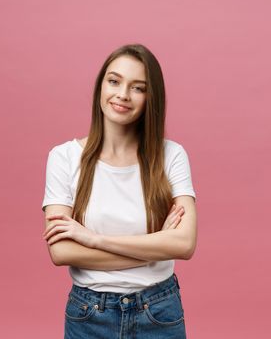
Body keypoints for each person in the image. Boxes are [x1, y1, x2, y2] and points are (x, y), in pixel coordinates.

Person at [41, 43, 197, 339]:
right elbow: (61, 251)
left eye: (138, 88)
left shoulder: (172, 156)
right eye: (114, 81)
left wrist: (94, 240)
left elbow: (185, 243)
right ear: (101, 85)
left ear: (152, 98)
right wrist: (155, 249)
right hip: (90, 314)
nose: (122, 95)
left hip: (158, 310)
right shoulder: (63, 157)